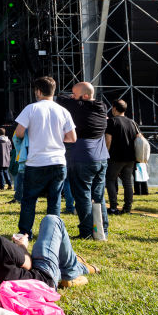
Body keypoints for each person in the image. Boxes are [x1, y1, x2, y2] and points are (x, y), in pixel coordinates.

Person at [0, 199, 98, 289]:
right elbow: (29, 264)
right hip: (42, 282)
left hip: (10, 289)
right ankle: (73, 271)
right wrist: (22, 246)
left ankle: (76, 265)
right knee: (52, 221)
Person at [14, 76, 76, 238]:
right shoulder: (63, 111)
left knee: (29, 200)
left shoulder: (31, 108)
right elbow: (72, 138)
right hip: (58, 162)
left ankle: (25, 232)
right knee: (54, 200)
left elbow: (19, 132)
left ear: (38, 92)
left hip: (36, 162)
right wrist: (56, 137)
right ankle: (53, 233)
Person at [56, 82, 109, 239]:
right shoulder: (101, 106)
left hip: (83, 157)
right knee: (98, 196)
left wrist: (72, 99)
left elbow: (60, 99)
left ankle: (86, 231)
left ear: (85, 96)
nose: (72, 97)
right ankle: (102, 231)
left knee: (83, 196)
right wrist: (76, 98)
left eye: (75, 94)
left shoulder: (79, 108)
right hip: (101, 157)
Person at [105, 99, 139, 215]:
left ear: (114, 108)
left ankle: (113, 207)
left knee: (110, 180)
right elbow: (138, 137)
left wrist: (105, 154)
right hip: (130, 157)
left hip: (115, 157)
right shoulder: (132, 122)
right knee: (127, 182)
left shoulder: (112, 122)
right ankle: (127, 207)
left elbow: (108, 140)